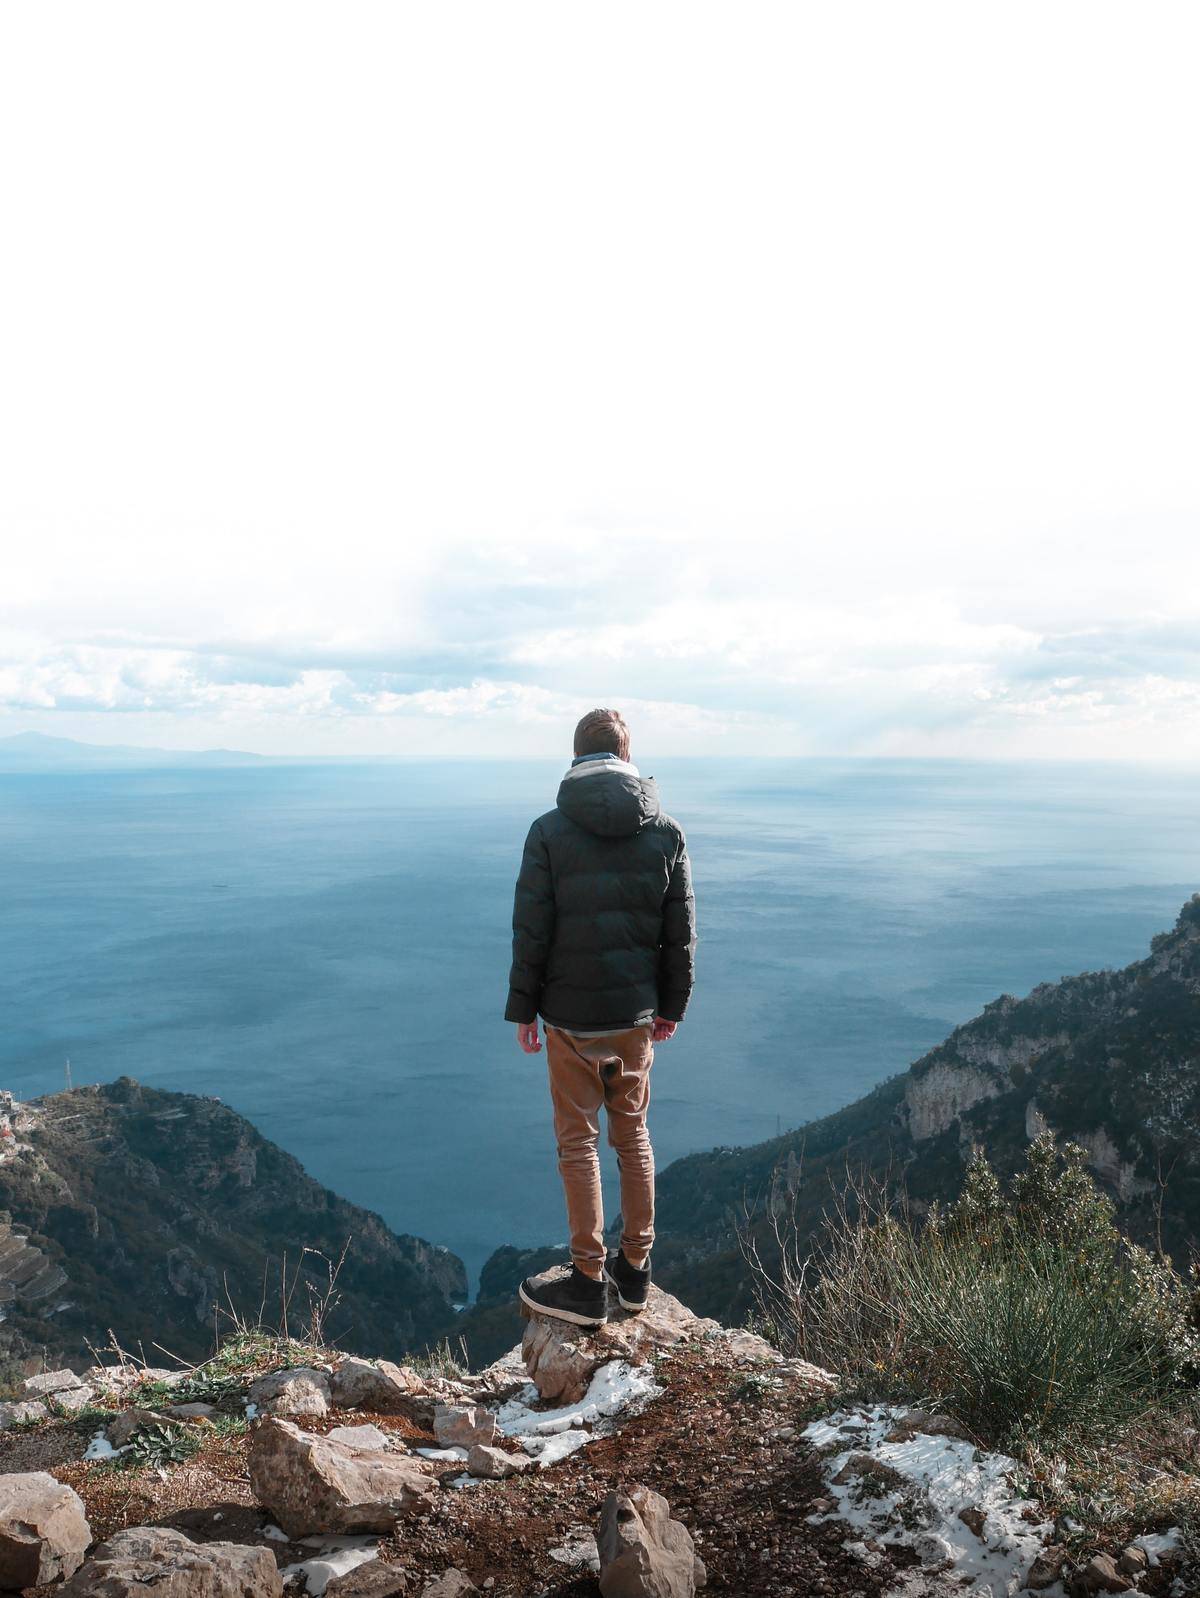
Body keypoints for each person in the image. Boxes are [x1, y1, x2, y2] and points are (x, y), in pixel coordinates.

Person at [504, 708, 696, 1327]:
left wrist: (523, 1010)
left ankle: (587, 1280)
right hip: (634, 1017)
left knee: (577, 1144)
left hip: (569, 1016)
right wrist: (671, 1008)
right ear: (625, 752)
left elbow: (531, 929)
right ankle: (635, 1273)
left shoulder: (548, 831)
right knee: (632, 1138)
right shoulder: (666, 832)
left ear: (576, 756)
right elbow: (680, 934)